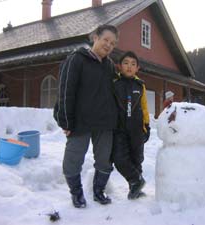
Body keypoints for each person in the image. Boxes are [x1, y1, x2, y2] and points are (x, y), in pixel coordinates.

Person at [53, 24, 119, 208]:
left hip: (105, 123)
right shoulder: (76, 59)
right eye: (106, 40)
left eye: (112, 43)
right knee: (73, 160)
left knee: (105, 160)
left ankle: (99, 191)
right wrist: (65, 120)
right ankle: (76, 193)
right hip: (80, 122)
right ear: (95, 37)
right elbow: (66, 91)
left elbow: (115, 94)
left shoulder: (110, 66)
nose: (108, 45)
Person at [112, 51, 150, 199]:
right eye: (126, 63)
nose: (129, 66)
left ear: (137, 68)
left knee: (137, 160)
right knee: (119, 159)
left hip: (136, 129)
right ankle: (136, 180)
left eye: (133, 64)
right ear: (120, 66)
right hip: (119, 129)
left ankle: (135, 188)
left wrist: (146, 126)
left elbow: (144, 106)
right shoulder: (114, 83)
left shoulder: (140, 85)